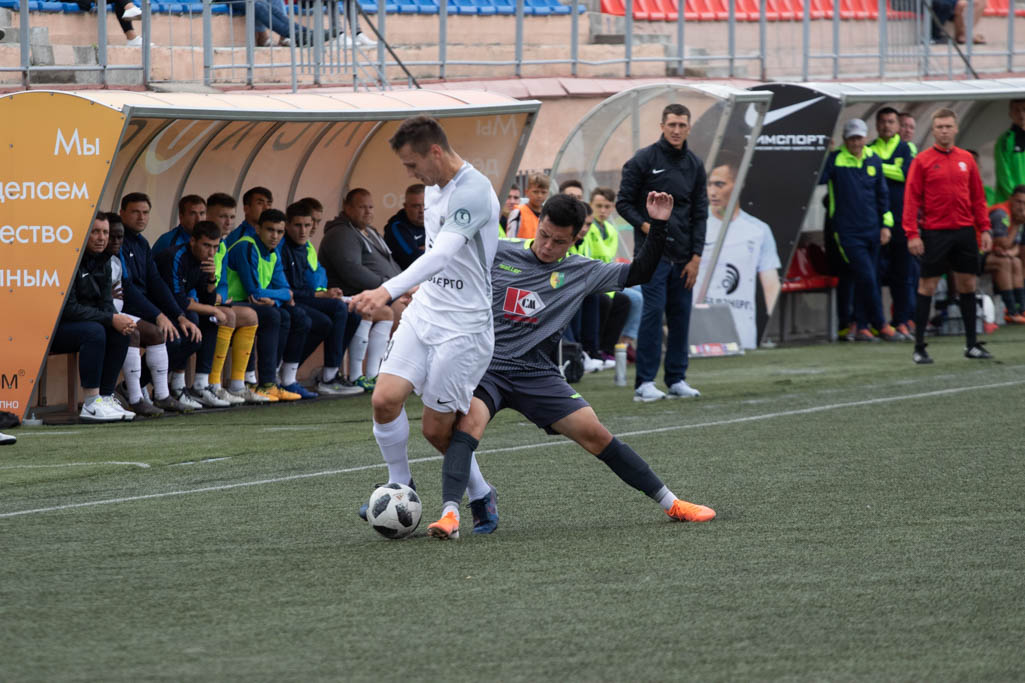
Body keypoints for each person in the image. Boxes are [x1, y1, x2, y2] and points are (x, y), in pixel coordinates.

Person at [425, 193, 715, 539]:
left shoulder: (582, 271)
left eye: (559, 241)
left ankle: (672, 503)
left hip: (537, 373)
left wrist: (659, 225)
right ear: (539, 224)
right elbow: (446, 265)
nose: (547, 246)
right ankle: (450, 514)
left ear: (576, 237)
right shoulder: (498, 250)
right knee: (468, 425)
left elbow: (640, 272)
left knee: (596, 434)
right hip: (487, 368)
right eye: (544, 235)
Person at [348, 115, 500, 531]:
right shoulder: (434, 188)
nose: (410, 174)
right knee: (384, 400)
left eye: (412, 164)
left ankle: (481, 493)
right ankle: (400, 485)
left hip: (464, 326)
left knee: (436, 430)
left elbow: (444, 253)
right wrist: (417, 288)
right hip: (426, 312)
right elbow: (435, 254)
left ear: (435, 152)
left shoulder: (473, 191)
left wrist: (386, 290)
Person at [616, 103, 706, 402]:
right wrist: (646, 227)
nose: (676, 130)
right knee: (653, 314)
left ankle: (677, 379)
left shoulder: (695, 165)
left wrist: (696, 256)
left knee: (680, 317)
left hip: (684, 257)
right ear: (662, 126)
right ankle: (644, 383)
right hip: (652, 256)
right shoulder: (644, 159)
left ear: (688, 128)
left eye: (682, 125)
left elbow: (700, 213)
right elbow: (623, 203)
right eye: (672, 125)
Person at [904, 108, 993, 364]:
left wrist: (984, 228)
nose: (944, 131)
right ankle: (919, 347)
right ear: (933, 130)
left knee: (968, 285)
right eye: (940, 127)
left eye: (948, 126)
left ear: (955, 129)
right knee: (927, 286)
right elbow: (911, 199)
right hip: (935, 233)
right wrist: (912, 233)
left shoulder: (966, 159)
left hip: (964, 232)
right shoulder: (922, 161)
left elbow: (978, 198)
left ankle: (971, 345)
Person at [119, 192, 204, 412]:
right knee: (169, 337)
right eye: (135, 212)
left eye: (145, 212)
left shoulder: (142, 242)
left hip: (144, 305)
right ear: (122, 213)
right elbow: (127, 288)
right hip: (124, 307)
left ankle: (146, 389)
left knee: (190, 333)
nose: (141, 217)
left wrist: (179, 315)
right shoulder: (118, 241)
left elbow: (156, 282)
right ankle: (140, 391)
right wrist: (158, 315)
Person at [819, 119, 900, 343]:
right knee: (866, 276)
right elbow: (819, 179)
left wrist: (886, 226)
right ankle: (880, 324)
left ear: (865, 138)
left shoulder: (873, 159)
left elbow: (882, 195)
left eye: (859, 138)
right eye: (852, 138)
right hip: (847, 231)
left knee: (869, 277)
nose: (856, 142)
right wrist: (826, 153)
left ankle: (861, 325)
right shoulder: (836, 160)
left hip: (872, 229)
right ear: (845, 140)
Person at [52, 214, 136, 422]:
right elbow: (69, 309)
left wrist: (118, 319)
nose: (102, 238)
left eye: (105, 232)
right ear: (84, 234)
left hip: (86, 323)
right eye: (95, 232)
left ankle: (105, 398)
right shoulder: (70, 260)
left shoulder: (104, 261)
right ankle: (90, 403)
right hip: (55, 328)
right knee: (95, 331)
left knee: (121, 332)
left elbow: (106, 303)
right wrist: (110, 318)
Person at [157, 220, 247, 409]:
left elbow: (207, 299)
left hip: (177, 309)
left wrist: (212, 279)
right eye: (207, 245)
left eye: (215, 247)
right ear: (193, 241)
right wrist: (214, 309)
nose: (211, 252)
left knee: (211, 319)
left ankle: (201, 384)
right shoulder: (176, 256)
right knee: (195, 323)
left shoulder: (204, 261)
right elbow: (177, 300)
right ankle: (174, 386)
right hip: (158, 308)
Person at [278, 201, 364, 396]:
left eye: (307, 225)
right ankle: (327, 377)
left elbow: (313, 281)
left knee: (353, 312)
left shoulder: (305, 246)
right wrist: (320, 294)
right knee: (330, 315)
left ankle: (328, 373)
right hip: (287, 300)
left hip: (304, 297)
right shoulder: (281, 247)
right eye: (298, 225)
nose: (304, 231)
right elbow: (288, 289)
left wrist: (328, 292)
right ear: (287, 225)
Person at [319, 188, 400, 391]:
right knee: (393, 312)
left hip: (378, 292)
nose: (368, 211)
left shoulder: (370, 231)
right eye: (362, 207)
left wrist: (402, 284)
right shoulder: (341, 233)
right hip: (349, 294)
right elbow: (351, 270)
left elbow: (389, 262)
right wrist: (386, 287)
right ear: (347, 207)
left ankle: (373, 375)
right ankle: (357, 375)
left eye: (370, 207)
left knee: (392, 311)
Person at [225, 208, 310, 401]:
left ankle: (272, 380)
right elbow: (254, 291)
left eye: (280, 232)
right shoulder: (247, 246)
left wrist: (277, 298)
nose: (275, 236)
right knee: (273, 315)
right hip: (231, 302)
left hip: (252, 303)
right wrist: (282, 295)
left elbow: (286, 289)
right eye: (270, 230)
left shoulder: (273, 252)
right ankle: (259, 382)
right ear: (258, 229)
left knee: (288, 315)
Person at [697, 155, 781, 350]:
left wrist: (772, 328)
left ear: (738, 184)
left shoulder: (759, 230)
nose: (712, 192)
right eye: (709, 185)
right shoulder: (694, 225)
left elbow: (770, 285)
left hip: (742, 331)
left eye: (720, 184)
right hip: (700, 331)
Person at [870, 107, 917, 339]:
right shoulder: (869, 148)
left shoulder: (906, 149)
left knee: (903, 274)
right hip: (876, 221)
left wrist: (877, 166)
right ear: (877, 125)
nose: (887, 126)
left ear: (897, 126)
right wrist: (888, 168)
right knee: (874, 274)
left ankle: (902, 320)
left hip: (901, 220)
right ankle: (877, 322)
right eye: (883, 122)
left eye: (891, 122)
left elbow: (905, 174)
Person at [987, 184, 1025, 322]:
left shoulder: (1017, 216)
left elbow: (1016, 247)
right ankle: (1011, 311)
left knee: (1016, 261)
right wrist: (1016, 225)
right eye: (1019, 202)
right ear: (1011, 199)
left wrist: (1010, 252)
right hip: (978, 254)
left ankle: (1021, 309)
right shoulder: (1001, 214)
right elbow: (1002, 243)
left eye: (1024, 203)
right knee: (1004, 262)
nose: (1021, 207)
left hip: (998, 255)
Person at [383, 184, 426, 270]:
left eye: (425, 205)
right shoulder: (397, 227)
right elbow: (414, 259)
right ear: (405, 207)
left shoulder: (435, 220)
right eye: (416, 206)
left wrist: (425, 249)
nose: (421, 210)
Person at [993, 99, 1025, 205]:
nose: (1021, 114)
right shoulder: (1005, 141)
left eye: (1024, 109)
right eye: (1017, 110)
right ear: (1010, 114)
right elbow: (1003, 175)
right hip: (1011, 204)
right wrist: (1018, 199)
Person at [505, 172, 549, 240]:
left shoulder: (548, 214)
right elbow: (510, 240)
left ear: (548, 193)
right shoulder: (518, 212)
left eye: (543, 192)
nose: (539, 196)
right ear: (527, 192)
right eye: (535, 192)